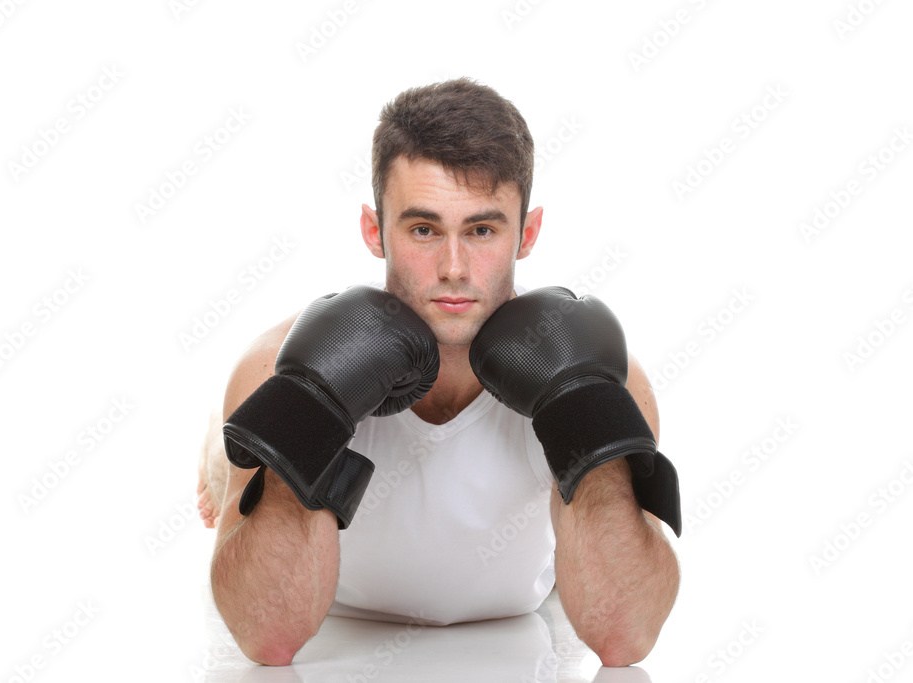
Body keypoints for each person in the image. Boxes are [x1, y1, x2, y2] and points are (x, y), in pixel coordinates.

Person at [196, 77, 681, 668]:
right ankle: (224, 456)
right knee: (247, 435)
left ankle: (225, 459)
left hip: (530, 601)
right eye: (423, 229)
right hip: (342, 618)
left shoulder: (605, 375)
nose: (453, 268)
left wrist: (585, 422)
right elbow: (268, 639)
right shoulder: (274, 366)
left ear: (527, 234)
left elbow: (626, 638)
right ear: (375, 231)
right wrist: (306, 409)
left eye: (482, 230)